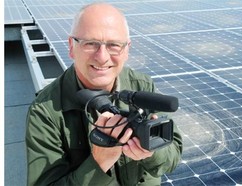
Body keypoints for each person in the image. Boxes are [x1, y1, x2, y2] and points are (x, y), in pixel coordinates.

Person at [25, 2, 183, 186]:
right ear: (71, 46)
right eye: (90, 43)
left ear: (126, 50)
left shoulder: (142, 86)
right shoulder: (45, 111)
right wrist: (98, 162)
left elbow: (171, 160)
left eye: (114, 45)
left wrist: (152, 152)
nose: (102, 57)